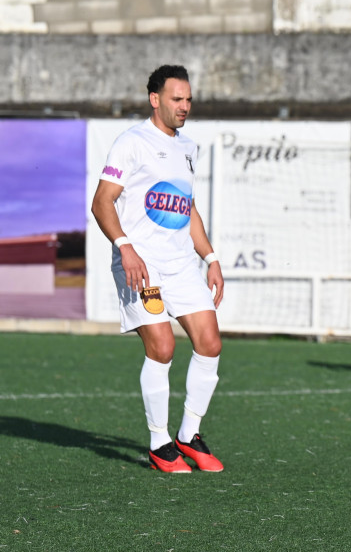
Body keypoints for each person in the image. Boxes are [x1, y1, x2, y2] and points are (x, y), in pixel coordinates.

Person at [91, 65, 226, 474]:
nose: (184, 106)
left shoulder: (189, 147)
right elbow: (102, 203)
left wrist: (211, 258)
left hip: (182, 264)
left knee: (210, 343)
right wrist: (126, 248)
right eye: (176, 99)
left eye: (188, 99)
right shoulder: (131, 143)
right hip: (141, 267)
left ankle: (188, 435)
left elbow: (188, 209)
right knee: (163, 347)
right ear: (155, 99)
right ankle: (158, 443)